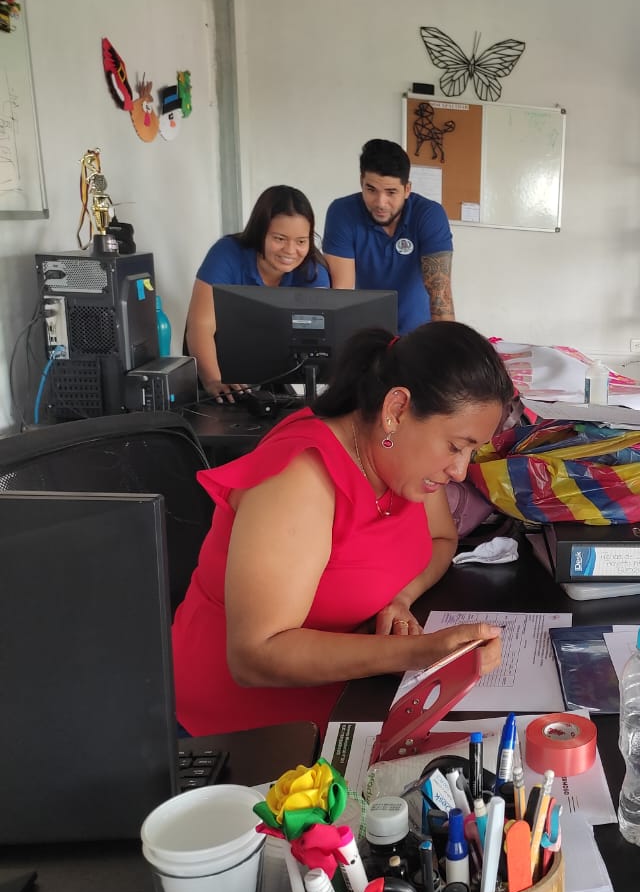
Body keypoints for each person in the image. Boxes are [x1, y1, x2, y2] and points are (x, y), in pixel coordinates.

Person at [172, 321, 513, 736]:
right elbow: (254, 655)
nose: (459, 471)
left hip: (351, 693)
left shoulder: (405, 464)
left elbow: (442, 538)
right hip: (254, 731)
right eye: (456, 447)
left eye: (471, 451)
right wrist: (414, 652)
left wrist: (399, 599)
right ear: (396, 410)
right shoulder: (301, 478)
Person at [186, 185, 331, 402]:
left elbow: (319, 338)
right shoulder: (226, 254)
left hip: (274, 375)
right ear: (260, 231)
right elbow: (201, 326)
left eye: (301, 241)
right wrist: (213, 380)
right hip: (220, 369)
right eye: (280, 239)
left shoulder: (313, 270)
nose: (290, 251)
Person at [324, 138, 454, 332]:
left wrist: (447, 344)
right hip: (364, 333)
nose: (380, 203)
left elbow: (441, 299)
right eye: (371, 190)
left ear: (407, 189)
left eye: (391, 192)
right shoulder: (342, 213)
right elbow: (341, 294)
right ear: (361, 182)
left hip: (419, 334)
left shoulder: (429, 215)